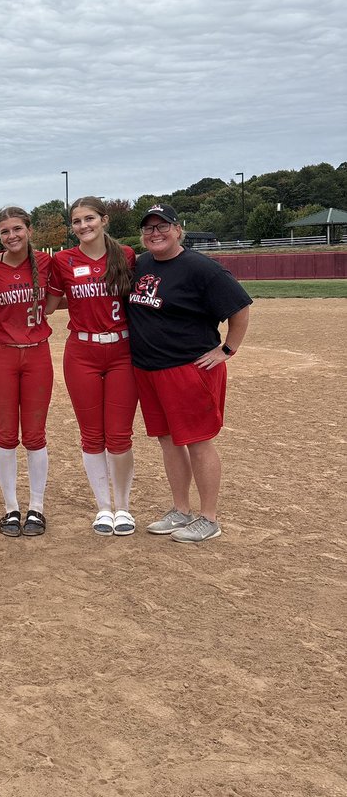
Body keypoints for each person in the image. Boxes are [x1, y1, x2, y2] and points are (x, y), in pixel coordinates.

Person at [127, 202, 252, 543]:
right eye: (149, 228)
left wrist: (227, 350)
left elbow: (240, 308)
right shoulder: (140, 264)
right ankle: (180, 509)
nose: (156, 233)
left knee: (197, 441)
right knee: (168, 441)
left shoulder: (201, 268)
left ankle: (208, 518)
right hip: (149, 369)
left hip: (187, 368)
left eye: (163, 226)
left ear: (178, 229)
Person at [46, 196, 138, 536]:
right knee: (92, 435)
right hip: (82, 352)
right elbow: (49, 304)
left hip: (122, 351)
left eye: (89, 218)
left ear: (104, 219)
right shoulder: (64, 260)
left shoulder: (125, 255)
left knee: (119, 435)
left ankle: (123, 507)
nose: (83, 226)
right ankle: (103, 507)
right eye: (77, 221)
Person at [0, 206, 54, 538]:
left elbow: (52, 302)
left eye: (17, 229)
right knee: (6, 434)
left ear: (29, 230)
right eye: (5, 231)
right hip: (2, 354)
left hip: (37, 353)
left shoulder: (47, 263)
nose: (12, 236)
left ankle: (36, 507)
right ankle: (11, 508)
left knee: (35, 434)